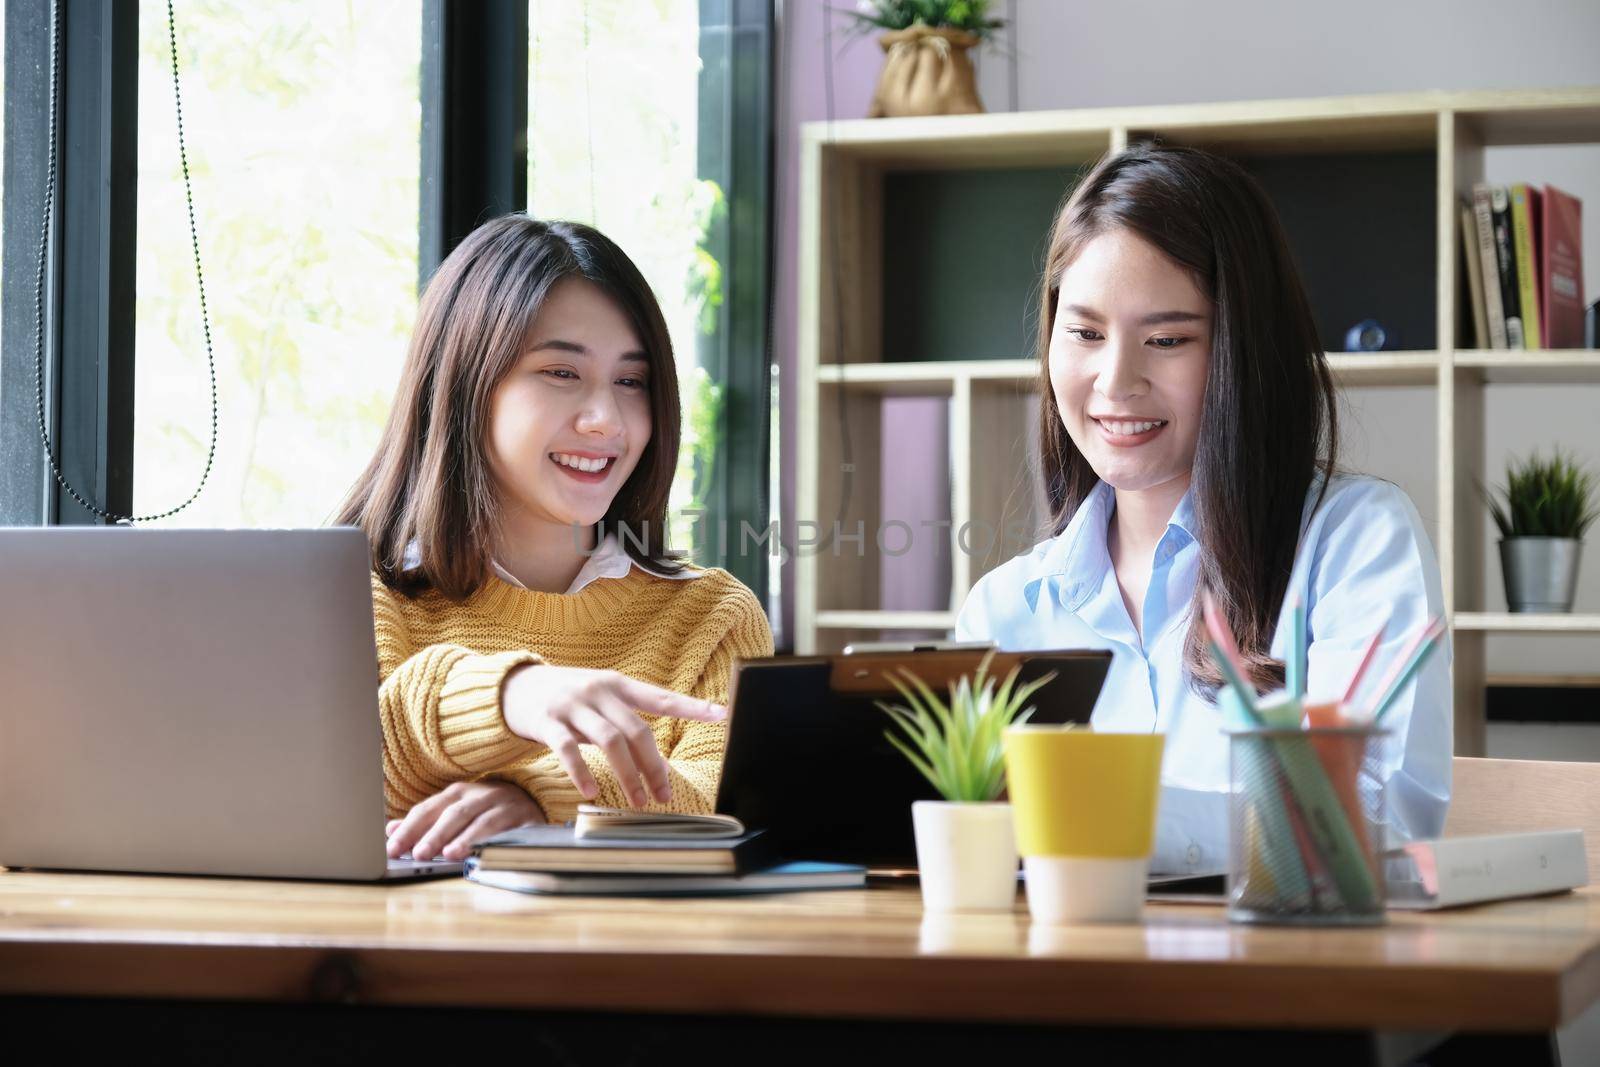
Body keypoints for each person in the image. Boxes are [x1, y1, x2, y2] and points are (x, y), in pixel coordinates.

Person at [956, 145, 1450, 874]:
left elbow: (1367, 819)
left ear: (1242, 350)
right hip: (1056, 984)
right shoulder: (1003, 612)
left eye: (1166, 340)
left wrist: (1085, 807)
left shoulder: (1355, 544)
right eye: (1086, 333)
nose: (1115, 382)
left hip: (1282, 984)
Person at [336, 216, 773, 863]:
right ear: (465, 385)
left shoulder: (711, 616)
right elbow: (342, 772)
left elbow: (725, 805)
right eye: (561, 373)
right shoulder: (353, 592)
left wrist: (541, 802)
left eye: (631, 382)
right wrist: (516, 694)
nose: (606, 420)